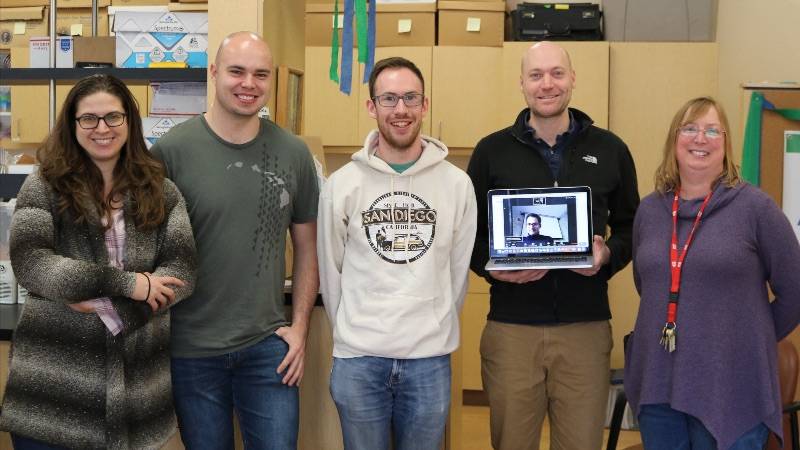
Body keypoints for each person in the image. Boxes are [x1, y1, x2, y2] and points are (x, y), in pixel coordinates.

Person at [0, 74, 196, 449]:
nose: (101, 128)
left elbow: (182, 270)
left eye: (113, 117)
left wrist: (117, 311)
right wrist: (129, 285)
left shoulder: (162, 192)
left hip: (136, 394)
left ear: (129, 122)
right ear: (72, 125)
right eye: (88, 118)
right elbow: (31, 261)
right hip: (52, 394)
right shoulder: (44, 185)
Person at [467, 41, 640, 450]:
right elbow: (467, 235)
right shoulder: (491, 151)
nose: (547, 84)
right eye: (536, 75)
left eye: (557, 73)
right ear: (522, 83)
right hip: (512, 329)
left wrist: (607, 256)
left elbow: (632, 227)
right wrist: (490, 267)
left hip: (586, 328)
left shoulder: (610, 149)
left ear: (573, 78)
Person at [151, 31, 319, 450]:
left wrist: (299, 329)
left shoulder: (293, 153)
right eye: (237, 71)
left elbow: (308, 251)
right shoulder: (170, 152)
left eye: (260, 74)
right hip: (191, 349)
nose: (249, 83)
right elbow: (147, 249)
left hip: (268, 348)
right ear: (213, 73)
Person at [317, 56, 477, 450]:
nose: (400, 109)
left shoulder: (457, 185)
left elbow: (457, 276)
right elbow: (331, 270)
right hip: (359, 361)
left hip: (429, 360)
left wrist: (431, 327)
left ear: (425, 105)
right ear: (371, 107)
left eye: (410, 98)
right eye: (388, 99)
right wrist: (353, 337)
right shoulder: (343, 184)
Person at [624, 96, 800, 450]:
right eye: (689, 128)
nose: (699, 139)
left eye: (711, 130)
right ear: (675, 140)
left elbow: (795, 289)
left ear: (726, 143)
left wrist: (751, 338)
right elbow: (650, 285)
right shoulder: (650, 210)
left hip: (730, 383)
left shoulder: (755, 208)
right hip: (659, 381)